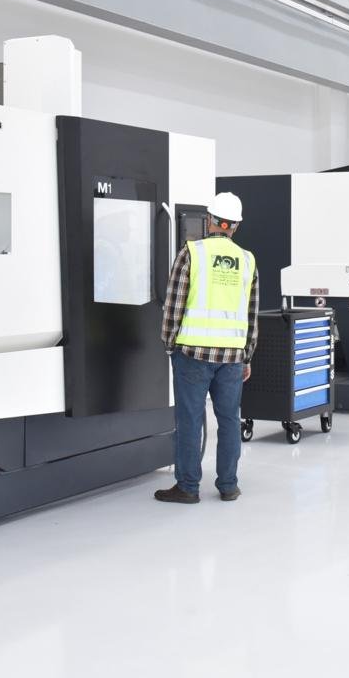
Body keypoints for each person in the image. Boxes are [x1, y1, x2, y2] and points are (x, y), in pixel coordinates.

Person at [155, 192, 258, 505]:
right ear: (235, 226)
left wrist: (169, 344)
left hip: (193, 355)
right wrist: (247, 356)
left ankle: (188, 487)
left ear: (210, 220)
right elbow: (251, 314)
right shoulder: (248, 260)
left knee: (190, 420)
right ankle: (228, 485)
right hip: (232, 357)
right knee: (229, 421)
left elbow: (174, 304)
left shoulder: (191, 253)